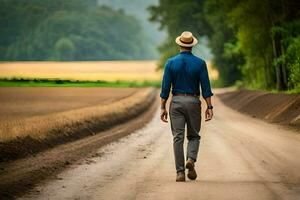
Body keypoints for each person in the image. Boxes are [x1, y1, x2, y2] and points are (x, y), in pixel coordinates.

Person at [160, 31, 214, 182]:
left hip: (176, 102)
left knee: (178, 137)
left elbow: (165, 88)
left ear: (179, 44)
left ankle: (180, 173)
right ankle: (190, 159)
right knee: (194, 135)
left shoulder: (170, 62)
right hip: (193, 102)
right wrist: (209, 107)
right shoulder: (200, 63)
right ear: (192, 46)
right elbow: (206, 88)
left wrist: (163, 107)